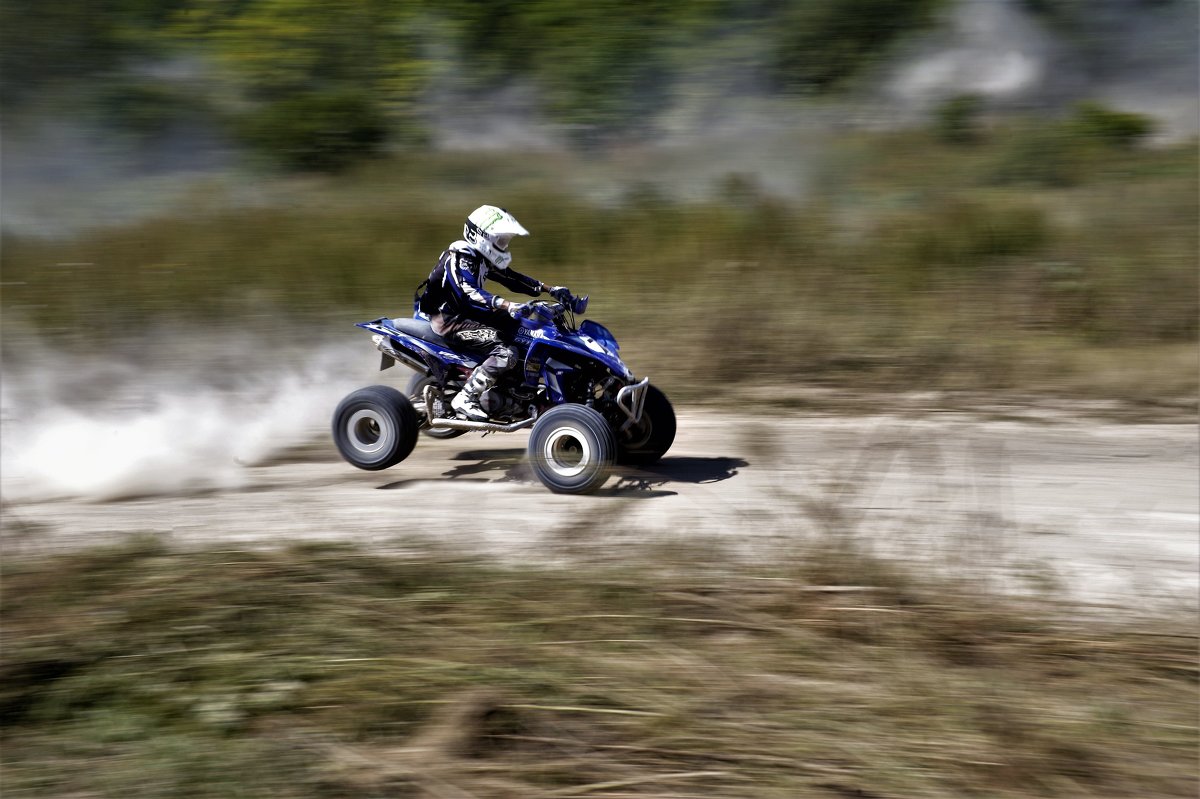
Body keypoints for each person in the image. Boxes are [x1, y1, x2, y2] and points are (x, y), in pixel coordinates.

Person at [418, 205, 577, 421]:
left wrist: (551, 290)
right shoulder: (459, 256)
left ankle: (519, 387)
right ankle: (466, 397)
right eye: (499, 239)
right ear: (479, 235)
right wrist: (507, 305)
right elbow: (468, 292)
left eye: (505, 239)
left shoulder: (481, 257)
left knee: (528, 332)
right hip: (449, 320)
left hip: (471, 315)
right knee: (507, 353)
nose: (503, 244)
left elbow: (512, 278)